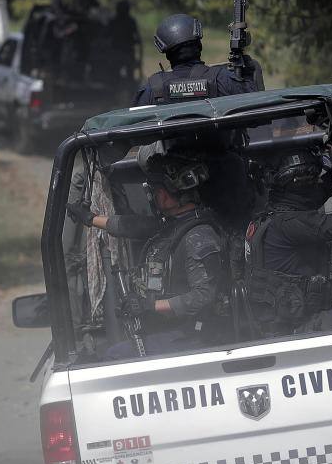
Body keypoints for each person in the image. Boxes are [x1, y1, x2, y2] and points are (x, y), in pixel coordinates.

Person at [66, 143, 225, 358]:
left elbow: (204, 296)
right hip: (172, 331)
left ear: (169, 193)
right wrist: (90, 218)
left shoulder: (198, 236)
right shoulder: (174, 225)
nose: (152, 193)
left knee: (114, 356)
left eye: (156, 188)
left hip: (192, 336)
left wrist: (150, 305)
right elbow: (134, 226)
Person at [244, 133, 332, 334]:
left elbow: (315, 195)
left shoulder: (276, 215)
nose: (315, 184)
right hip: (301, 326)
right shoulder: (290, 223)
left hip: (285, 324)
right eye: (311, 180)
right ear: (297, 185)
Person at [132, 14, 263, 106]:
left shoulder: (153, 87)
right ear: (199, 46)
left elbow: (133, 131)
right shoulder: (222, 79)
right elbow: (256, 114)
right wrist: (246, 72)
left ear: (166, 53)